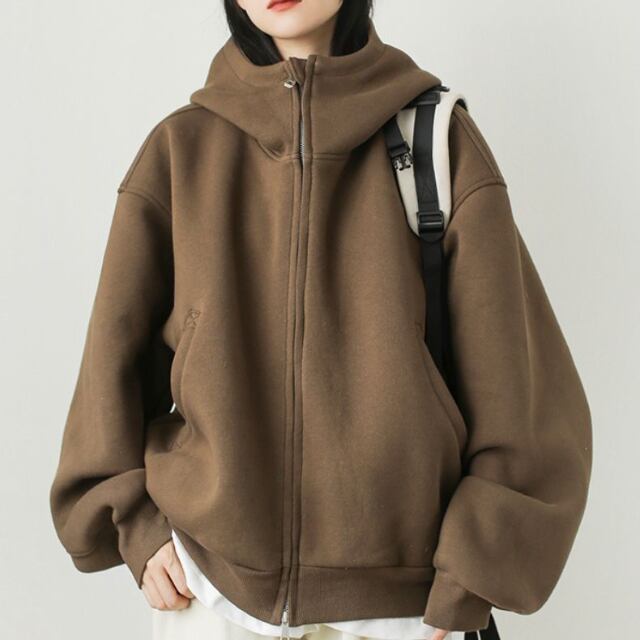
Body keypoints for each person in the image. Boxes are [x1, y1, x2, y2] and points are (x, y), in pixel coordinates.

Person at [49, 1, 593, 639]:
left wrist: (472, 574)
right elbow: (109, 367)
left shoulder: (436, 143)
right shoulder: (181, 150)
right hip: (211, 598)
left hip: (400, 611)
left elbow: (523, 398)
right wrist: (137, 530)